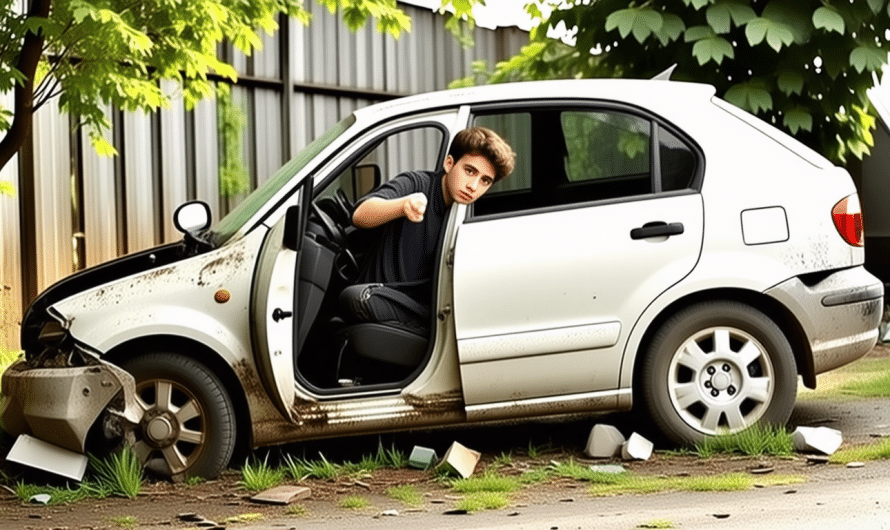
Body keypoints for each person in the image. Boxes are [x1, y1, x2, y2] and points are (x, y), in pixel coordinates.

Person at [339, 126, 515, 332]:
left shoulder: (464, 216)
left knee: (354, 298)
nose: (473, 186)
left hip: (419, 311)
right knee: (353, 297)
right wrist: (403, 206)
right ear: (449, 163)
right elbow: (360, 215)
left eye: (485, 181)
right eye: (469, 171)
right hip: (378, 295)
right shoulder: (417, 185)